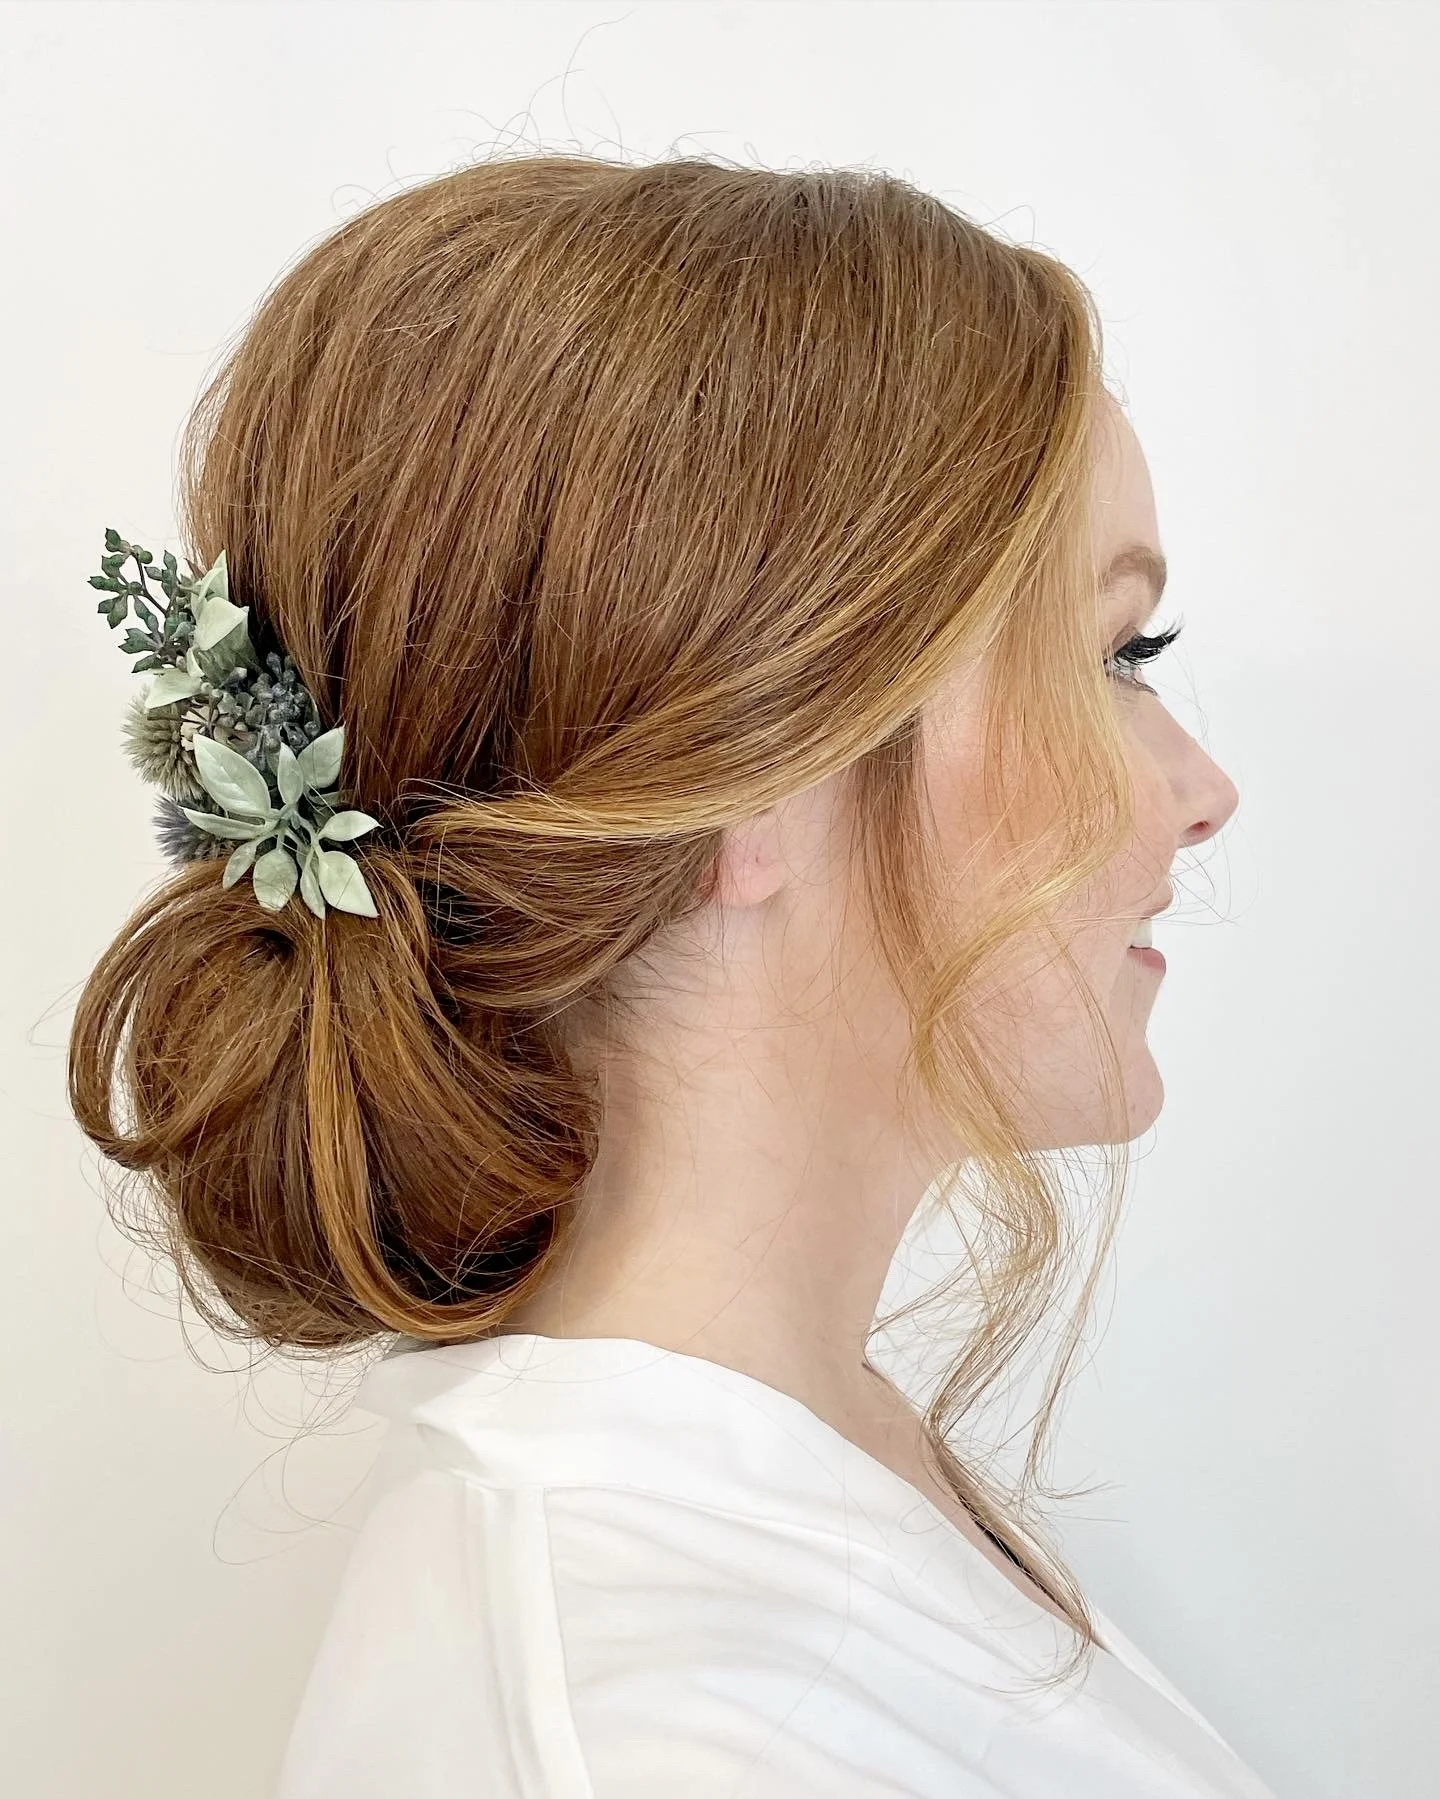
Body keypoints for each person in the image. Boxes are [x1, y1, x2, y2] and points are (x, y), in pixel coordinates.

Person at [67, 153, 1269, 1796]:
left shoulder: (789, 1476)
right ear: (757, 777)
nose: (1204, 789)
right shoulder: (669, 1739)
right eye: (1115, 655)